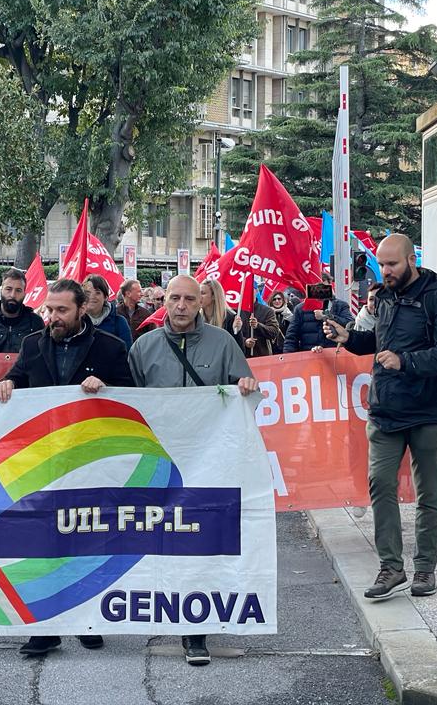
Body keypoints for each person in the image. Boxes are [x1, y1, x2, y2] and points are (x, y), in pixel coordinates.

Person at [0, 278, 135, 657]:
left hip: (91, 461)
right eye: (49, 310)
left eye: (61, 310)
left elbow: (131, 394)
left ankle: (88, 620)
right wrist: (7, 383)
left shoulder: (110, 347)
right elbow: (19, 376)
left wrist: (105, 385)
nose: (53, 317)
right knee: (44, 544)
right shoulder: (32, 344)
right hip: (46, 461)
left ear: (81, 309)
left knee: (88, 542)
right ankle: (46, 630)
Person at [323, 234, 437, 602]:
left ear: (410, 261)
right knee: (380, 484)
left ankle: (425, 568)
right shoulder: (385, 297)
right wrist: (349, 338)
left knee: (427, 491)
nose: (385, 271)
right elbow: (381, 342)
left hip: (429, 408)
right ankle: (391, 567)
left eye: (392, 264)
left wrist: (406, 362)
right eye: (382, 265)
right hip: (386, 407)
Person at [127, 275, 259, 666]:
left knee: (196, 541)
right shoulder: (143, 346)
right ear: (163, 301)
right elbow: (127, 400)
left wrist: (246, 385)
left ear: (201, 302)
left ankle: (194, 631)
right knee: (153, 539)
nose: (181, 305)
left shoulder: (223, 343)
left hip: (207, 461)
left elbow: (245, 389)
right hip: (158, 462)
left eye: (189, 298)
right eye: (174, 298)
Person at [283, 277, 353, 353]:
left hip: (335, 354)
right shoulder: (300, 309)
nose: (320, 291)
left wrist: (326, 315)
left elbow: (350, 325)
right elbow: (291, 337)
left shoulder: (340, 305)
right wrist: (289, 357)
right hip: (309, 355)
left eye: (324, 287)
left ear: (330, 287)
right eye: (317, 287)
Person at [82, 273, 133, 350]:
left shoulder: (119, 322)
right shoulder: (76, 322)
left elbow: (127, 352)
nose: (92, 296)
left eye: (97, 292)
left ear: (105, 297)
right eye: (87, 293)